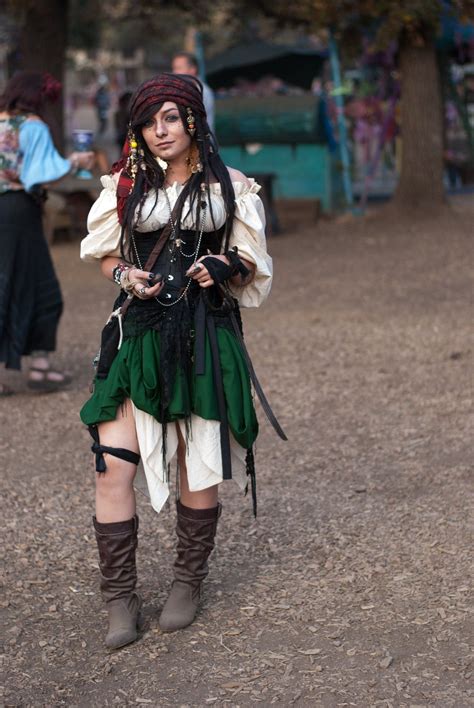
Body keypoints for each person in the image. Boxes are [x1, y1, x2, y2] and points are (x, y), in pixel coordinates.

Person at [79, 73, 275, 650]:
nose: (159, 131)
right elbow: (104, 253)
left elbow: (251, 260)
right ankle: (120, 596)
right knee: (113, 462)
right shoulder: (123, 185)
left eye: (170, 117)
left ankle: (188, 582)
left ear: (193, 120)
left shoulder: (231, 186)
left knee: (198, 457)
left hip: (204, 333)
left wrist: (222, 266)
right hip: (136, 334)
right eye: (148, 121)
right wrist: (123, 274)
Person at [0, 71, 95, 395]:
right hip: (17, 211)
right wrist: (75, 161)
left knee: (3, 282)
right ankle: (40, 367)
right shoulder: (33, 126)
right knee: (42, 285)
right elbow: (39, 176)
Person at [171, 52, 215, 132]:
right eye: (174, 68)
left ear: (192, 70)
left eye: (179, 68)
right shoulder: (180, 90)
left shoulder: (202, 92)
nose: (174, 72)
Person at [114, 90, 133, 155]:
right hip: (124, 136)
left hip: (123, 137)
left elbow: (117, 127)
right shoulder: (122, 113)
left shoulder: (118, 113)